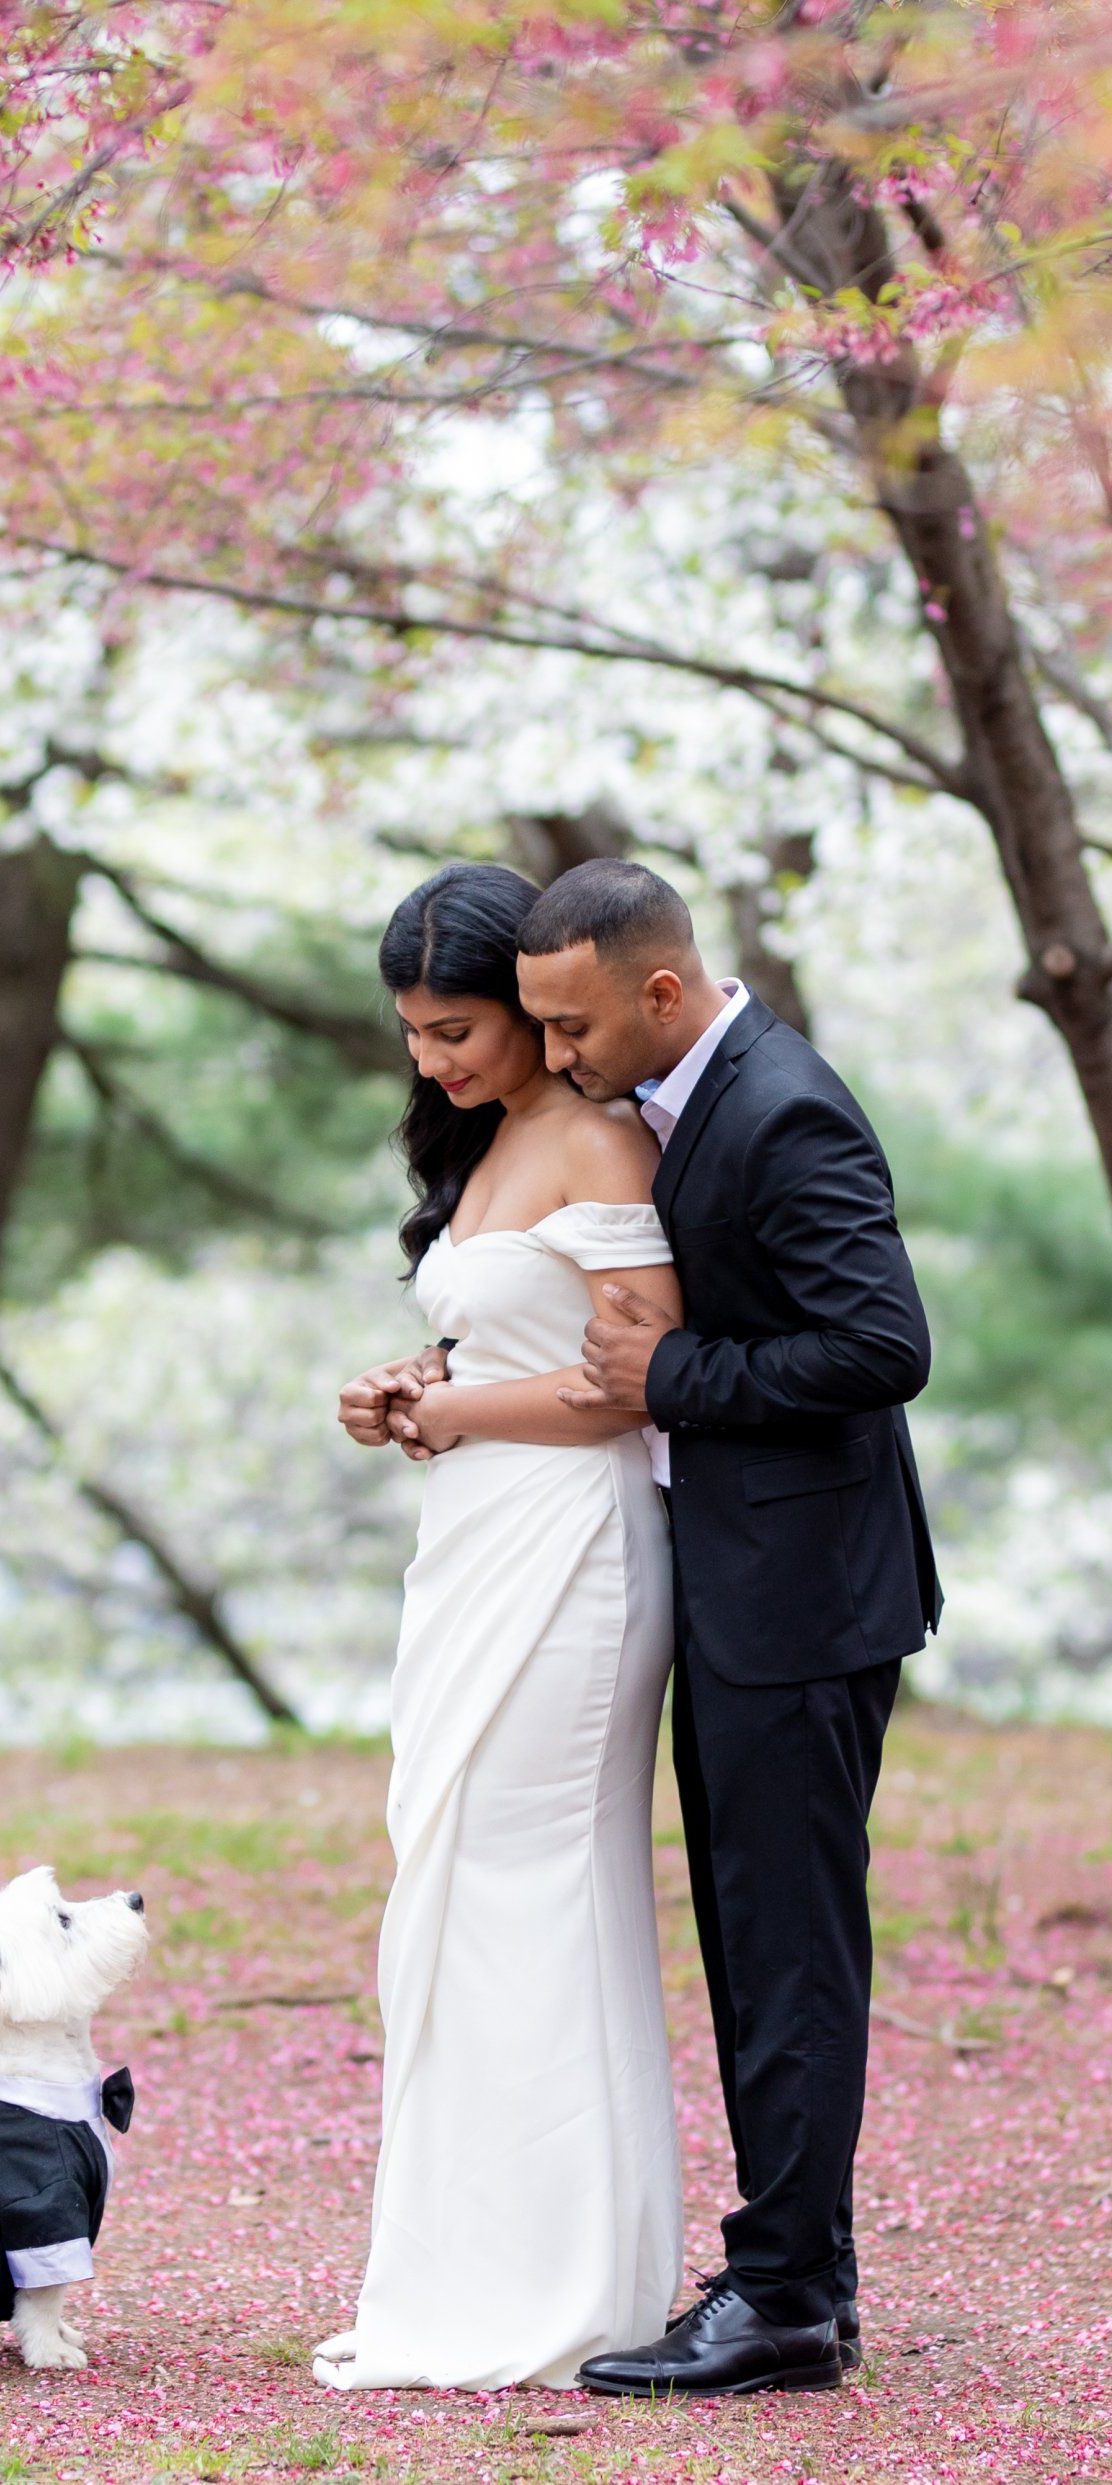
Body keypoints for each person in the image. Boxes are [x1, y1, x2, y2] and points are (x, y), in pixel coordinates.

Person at [510, 858, 941, 2398]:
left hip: (809, 1601)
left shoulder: (780, 1107)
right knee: (762, 1949)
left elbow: (885, 1345)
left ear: (662, 993)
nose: (558, 1056)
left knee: (790, 1953)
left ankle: (777, 2300)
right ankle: (801, 2279)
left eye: (571, 1026)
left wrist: (674, 1378)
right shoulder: (697, 1096)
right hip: (753, 1591)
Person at [319, 861, 684, 2393]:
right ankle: (464, 2269)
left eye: (456, 1027)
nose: (435, 1061)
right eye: (414, 1033)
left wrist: (453, 1407)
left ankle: (574, 2285)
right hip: (477, 1539)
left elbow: (641, 1367)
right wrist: (413, 1383)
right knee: (454, 1884)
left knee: (532, 1886)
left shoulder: (598, 1135)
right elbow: (520, 1333)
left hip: (574, 1547)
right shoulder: (494, 1140)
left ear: (536, 1004)